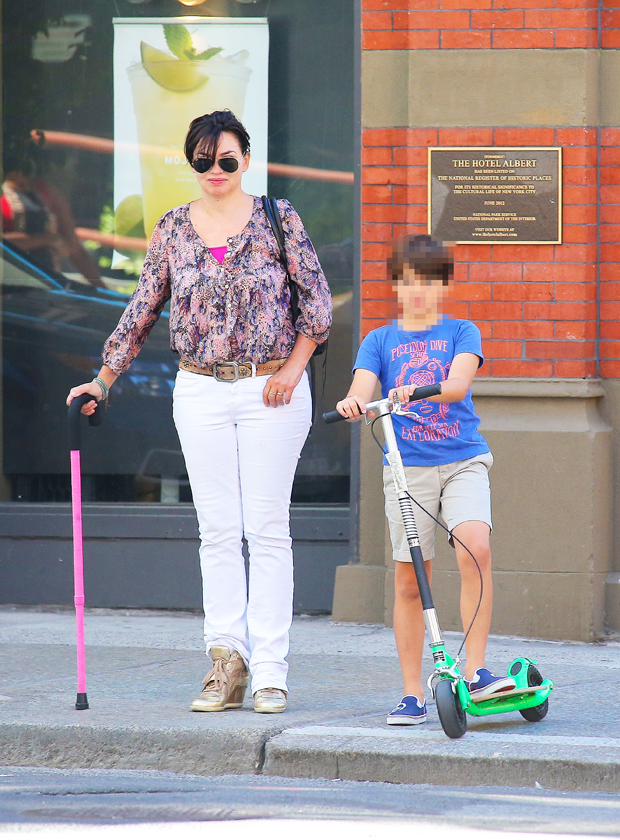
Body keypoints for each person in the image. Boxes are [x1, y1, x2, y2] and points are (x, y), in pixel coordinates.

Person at [66, 109, 332, 714]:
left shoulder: (278, 218)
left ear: (246, 159)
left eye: (227, 159)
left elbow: (317, 306)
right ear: (190, 162)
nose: (216, 169)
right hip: (200, 389)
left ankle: (270, 672)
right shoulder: (172, 229)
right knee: (216, 529)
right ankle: (226, 663)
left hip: (271, 388)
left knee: (267, 529)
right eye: (204, 159)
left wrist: (292, 370)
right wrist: (104, 378)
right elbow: (142, 308)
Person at [336, 234, 515, 725]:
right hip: (407, 468)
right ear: (396, 284)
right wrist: (353, 403)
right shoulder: (379, 340)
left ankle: (476, 670)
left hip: (462, 460)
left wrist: (415, 390)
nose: (419, 291)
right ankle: (413, 693)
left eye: (429, 282)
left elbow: (457, 386)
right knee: (411, 581)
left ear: (444, 285)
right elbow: (360, 390)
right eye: (410, 282)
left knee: (476, 547)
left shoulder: (461, 331)